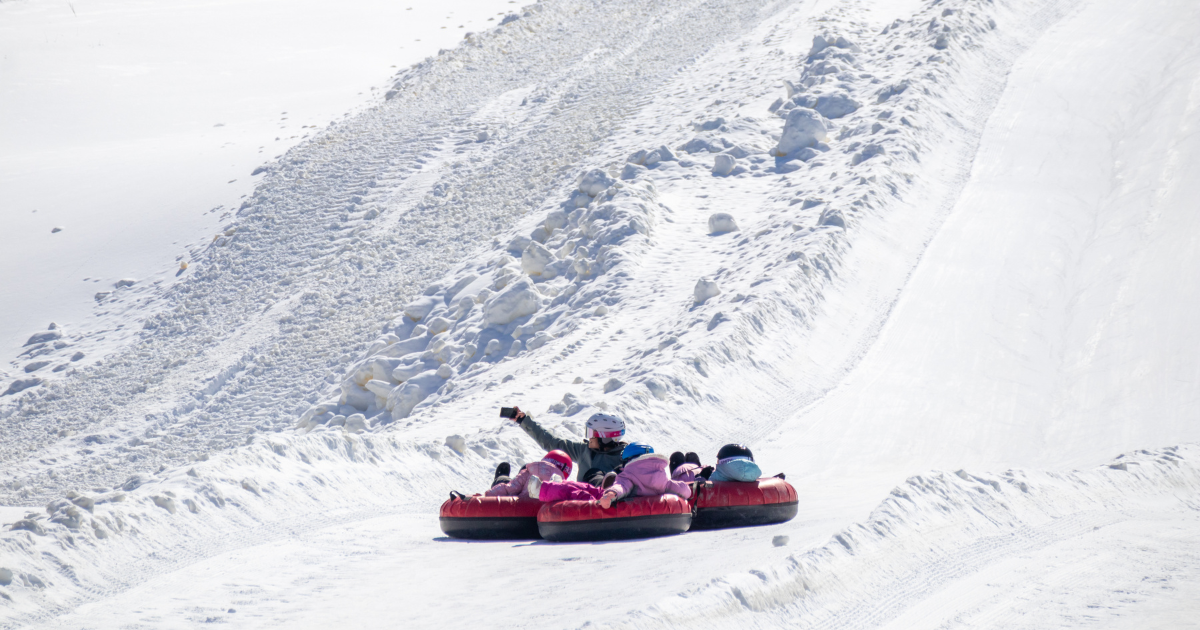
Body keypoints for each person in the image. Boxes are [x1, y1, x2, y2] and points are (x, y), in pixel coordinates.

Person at [503, 406, 628, 484]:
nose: (588, 437)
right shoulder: (584, 450)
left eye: (592, 433)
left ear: (605, 437)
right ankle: (503, 482)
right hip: (583, 504)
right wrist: (523, 421)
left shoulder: (625, 457)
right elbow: (551, 442)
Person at [597, 443, 693, 509]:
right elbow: (685, 491)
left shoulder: (628, 475)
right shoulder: (662, 478)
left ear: (628, 460)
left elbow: (622, 486)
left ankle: (602, 485)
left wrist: (612, 493)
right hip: (660, 513)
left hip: (635, 514)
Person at [484, 450, 573, 500]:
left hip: (520, 507)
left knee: (506, 482)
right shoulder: (561, 485)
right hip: (539, 515)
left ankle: (501, 478)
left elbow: (509, 489)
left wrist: (487, 496)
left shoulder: (530, 471)